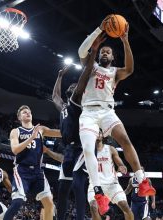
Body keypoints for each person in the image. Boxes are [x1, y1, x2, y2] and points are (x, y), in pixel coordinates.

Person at [77, 15, 155, 214]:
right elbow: (81, 51)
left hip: (107, 111)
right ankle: (98, 192)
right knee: (88, 149)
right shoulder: (91, 66)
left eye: (108, 52)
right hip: (88, 112)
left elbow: (130, 68)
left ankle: (141, 179)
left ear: (112, 57)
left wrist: (125, 40)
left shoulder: (115, 73)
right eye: (103, 50)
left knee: (125, 140)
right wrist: (97, 30)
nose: (104, 53)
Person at [52, 33, 105, 220]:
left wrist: (93, 53)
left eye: (77, 87)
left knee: (77, 184)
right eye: (74, 86)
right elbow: (55, 97)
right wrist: (59, 77)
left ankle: (82, 217)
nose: (76, 87)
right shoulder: (64, 106)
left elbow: (83, 78)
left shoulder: (76, 101)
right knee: (63, 189)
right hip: (68, 149)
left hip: (82, 147)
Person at [3, 105, 61, 220]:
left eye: (29, 112)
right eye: (24, 112)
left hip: (37, 171)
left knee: (49, 204)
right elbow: (15, 150)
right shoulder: (16, 131)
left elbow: (60, 133)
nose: (28, 113)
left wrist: (77, 128)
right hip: (22, 171)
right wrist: (31, 137)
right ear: (19, 117)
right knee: (17, 202)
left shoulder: (40, 129)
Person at [87, 132, 133, 220]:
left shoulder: (110, 149)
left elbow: (119, 162)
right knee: (93, 207)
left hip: (112, 184)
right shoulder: (87, 150)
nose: (97, 134)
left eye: (99, 132)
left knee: (125, 207)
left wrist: (121, 166)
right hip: (95, 185)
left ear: (102, 135)